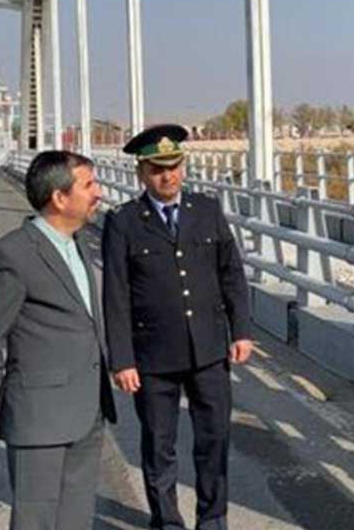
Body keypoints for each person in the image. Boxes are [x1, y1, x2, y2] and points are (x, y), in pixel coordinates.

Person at [103, 124, 253, 530]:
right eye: (156, 169)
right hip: (152, 357)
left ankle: (213, 520)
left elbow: (231, 275)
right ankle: (167, 522)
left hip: (208, 350)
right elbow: (115, 296)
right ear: (141, 173)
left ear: (183, 166)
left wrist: (241, 330)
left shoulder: (206, 210)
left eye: (173, 166)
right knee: (159, 446)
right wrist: (122, 360)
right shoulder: (125, 222)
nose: (167, 177)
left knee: (214, 441)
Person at [0, 150, 117, 529]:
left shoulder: (78, 244)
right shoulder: (12, 254)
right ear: (59, 198)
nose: (98, 192)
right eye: (89, 184)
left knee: (76, 519)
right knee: (36, 521)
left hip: (87, 410)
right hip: (38, 416)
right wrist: (1, 398)